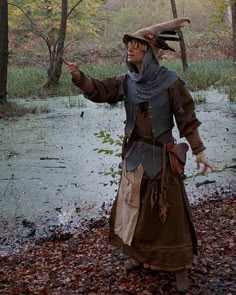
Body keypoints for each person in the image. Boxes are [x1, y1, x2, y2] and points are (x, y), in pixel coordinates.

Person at [64, 17, 212, 292]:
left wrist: (199, 150)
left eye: (136, 46)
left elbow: (186, 119)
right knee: (136, 210)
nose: (129, 50)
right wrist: (79, 78)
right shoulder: (127, 82)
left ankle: (178, 265)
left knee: (169, 214)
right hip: (134, 155)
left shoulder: (170, 82)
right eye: (128, 46)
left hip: (161, 156)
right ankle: (140, 256)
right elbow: (100, 90)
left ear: (150, 50)